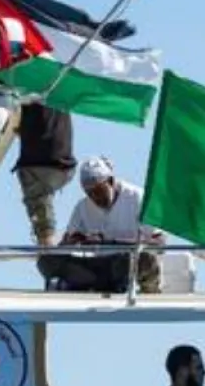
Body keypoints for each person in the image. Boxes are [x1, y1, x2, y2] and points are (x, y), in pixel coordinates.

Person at [38, 155, 161, 293]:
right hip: (97, 267)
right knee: (47, 260)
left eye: (98, 191)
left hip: (126, 263)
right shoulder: (82, 207)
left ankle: (140, 289)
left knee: (145, 260)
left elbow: (158, 243)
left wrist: (109, 242)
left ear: (111, 181)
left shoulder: (138, 198)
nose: (95, 198)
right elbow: (66, 245)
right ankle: (87, 285)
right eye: (89, 193)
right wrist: (72, 242)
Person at [13, 103, 76, 248]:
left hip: (40, 162)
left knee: (38, 200)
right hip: (66, 164)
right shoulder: (59, 84)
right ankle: (50, 241)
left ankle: (47, 248)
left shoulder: (28, 82)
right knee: (43, 197)